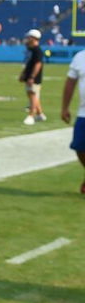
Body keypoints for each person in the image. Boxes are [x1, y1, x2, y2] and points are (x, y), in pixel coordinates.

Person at [57, 46, 85, 194]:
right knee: (79, 147)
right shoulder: (80, 57)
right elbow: (70, 83)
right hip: (83, 113)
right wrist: (64, 108)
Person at [21, 29, 45, 125]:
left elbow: (38, 65)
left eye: (29, 37)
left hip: (33, 77)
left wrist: (32, 77)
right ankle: (40, 114)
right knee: (32, 95)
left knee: (32, 95)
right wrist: (23, 74)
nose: (27, 39)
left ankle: (31, 115)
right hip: (29, 75)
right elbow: (28, 63)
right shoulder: (31, 49)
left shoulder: (37, 50)